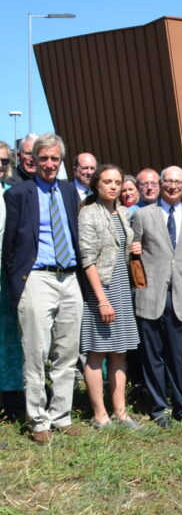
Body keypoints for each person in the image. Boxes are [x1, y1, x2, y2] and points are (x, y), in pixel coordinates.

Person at [3, 133, 83, 443]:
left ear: (61, 161)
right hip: (36, 278)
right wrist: (18, 284)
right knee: (35, 352)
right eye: (44, 158)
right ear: (33, 161)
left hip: (70, 278)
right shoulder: (19, 194)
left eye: (55, 159)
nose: (50, 164)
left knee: (67, 352)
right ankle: (37, 421)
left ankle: (61, 416)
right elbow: (10, 247)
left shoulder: (68, 191)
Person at [132, 166, 182, 426]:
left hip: (180, 297)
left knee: (179, 356)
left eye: (178, 182)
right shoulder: (142, 215)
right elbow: (135, 257)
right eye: (168, 181)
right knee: (153, 356)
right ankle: (159, 408)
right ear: (161, 184)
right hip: (150, 295)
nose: (173, 186)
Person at [78, 164, 141, 429]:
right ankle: (99, 414)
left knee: (120, 352)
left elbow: (121, 251)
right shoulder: (88, 213)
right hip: (101, 290)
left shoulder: (124, 213)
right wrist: (102, 299)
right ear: (96, 184)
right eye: (107, 181)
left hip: (123, 289)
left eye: (117, 182)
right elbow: (87, 259)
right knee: (97, 353)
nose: (114, 186)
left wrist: (133, 247)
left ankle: (121, 412)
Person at [0, 140, 24, 422]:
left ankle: (14, 402)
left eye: (5, 160)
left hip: (9, 280)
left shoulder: (12, 194)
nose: (1, 165)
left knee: (12, 343)